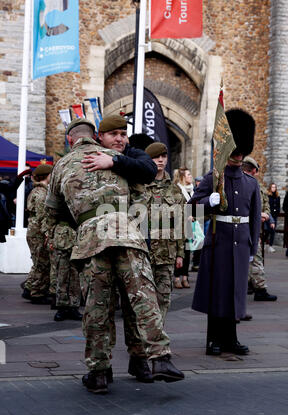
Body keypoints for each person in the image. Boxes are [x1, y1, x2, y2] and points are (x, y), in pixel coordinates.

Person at [45, 117, 184, 394]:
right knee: (143, 298)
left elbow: (53, 212)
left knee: (98, 307)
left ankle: (98, 373)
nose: (120, 139)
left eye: (123, 134)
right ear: (96, 136)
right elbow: (141, 193)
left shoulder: (61, 165)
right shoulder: (116, 158)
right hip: (125, 232)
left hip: (90, 239)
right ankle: (159, 358)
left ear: (70, 140)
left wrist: (80, 228)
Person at [188, 108, 261, 356]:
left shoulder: (251, 183)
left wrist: (252, 249)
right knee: (217, 292)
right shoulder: (213, 178)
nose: (238, 156)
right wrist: (208, 201)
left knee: (235, 293)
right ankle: (213, 340)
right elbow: (191, 210)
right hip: (218, 242)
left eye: (241, 152)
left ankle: (231, 338)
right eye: (235, 151)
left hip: (240, 244)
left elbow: (253, 220)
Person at [143, 141, 184, 323]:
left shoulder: (175, 190)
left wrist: (181, 253)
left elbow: (183, 224)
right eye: (155, 157)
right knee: (143, 299)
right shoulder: (139, 186)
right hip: (143, 252)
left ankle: (157, 339)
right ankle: (142, 340)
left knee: (163, 298)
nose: (160, 160)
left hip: (167, 253)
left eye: (163, 156)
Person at [242, 157, 277, 303]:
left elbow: (266, 206)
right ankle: (260, 289)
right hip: (244, 227)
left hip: (255, 228)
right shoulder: (240, 184)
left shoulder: (259, 187)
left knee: (254, 258)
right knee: (254, 259)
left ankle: (252, 284)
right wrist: (258, 214)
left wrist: (266, 215)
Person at [23, 164, 53, 304]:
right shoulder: (41, 193)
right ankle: (36, 293)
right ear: (47, 176)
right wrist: (47, 233)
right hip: (39, 232)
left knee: (38, 261)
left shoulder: (36, 191)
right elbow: (42, 216)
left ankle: (30, 287)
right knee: (42, 262)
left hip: (34, 231)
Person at [172, 167, 194, 288]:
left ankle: (185, 277)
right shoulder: (177, 190)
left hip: (191, 226)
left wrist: (195, 216)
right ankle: (176, 278)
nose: (191, 176)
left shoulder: (192, 190)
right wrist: (186, 216)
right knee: (178, 252)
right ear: (182, 177)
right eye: (188, 174)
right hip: (179, 225)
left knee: (188, 251)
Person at [264, 183, 280, 253]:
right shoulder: (268, 196)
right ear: (270, 188)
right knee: (267, 231)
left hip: (275, 216)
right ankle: (264, 243)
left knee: (273, 231)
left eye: (274, 187)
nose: (273, 188)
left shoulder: (277, 197)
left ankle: (270, 246)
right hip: (268, 216)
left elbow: (278, 206)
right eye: (272, 187)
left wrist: (277, 212)